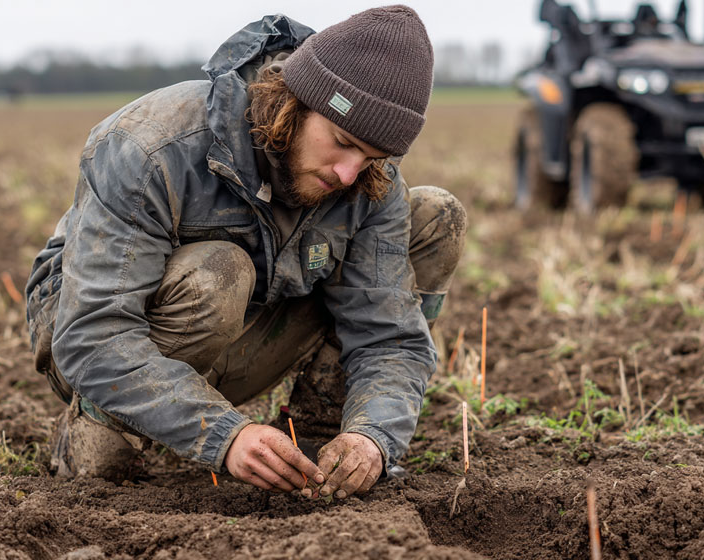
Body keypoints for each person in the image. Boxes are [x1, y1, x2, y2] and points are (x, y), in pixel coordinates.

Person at [24, 5, 467, 501]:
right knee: (220, 273)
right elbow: (92, 335)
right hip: (94, 340)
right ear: (295, 103)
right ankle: (112, 423)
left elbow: (390, 335)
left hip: (246, 329)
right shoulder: (149, 147)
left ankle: (318, 438)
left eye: (372, 157)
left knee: (434, 214)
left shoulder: (364, 182)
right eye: (342, 142)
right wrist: (226, 437)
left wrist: (372, 438)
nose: (348, 173)